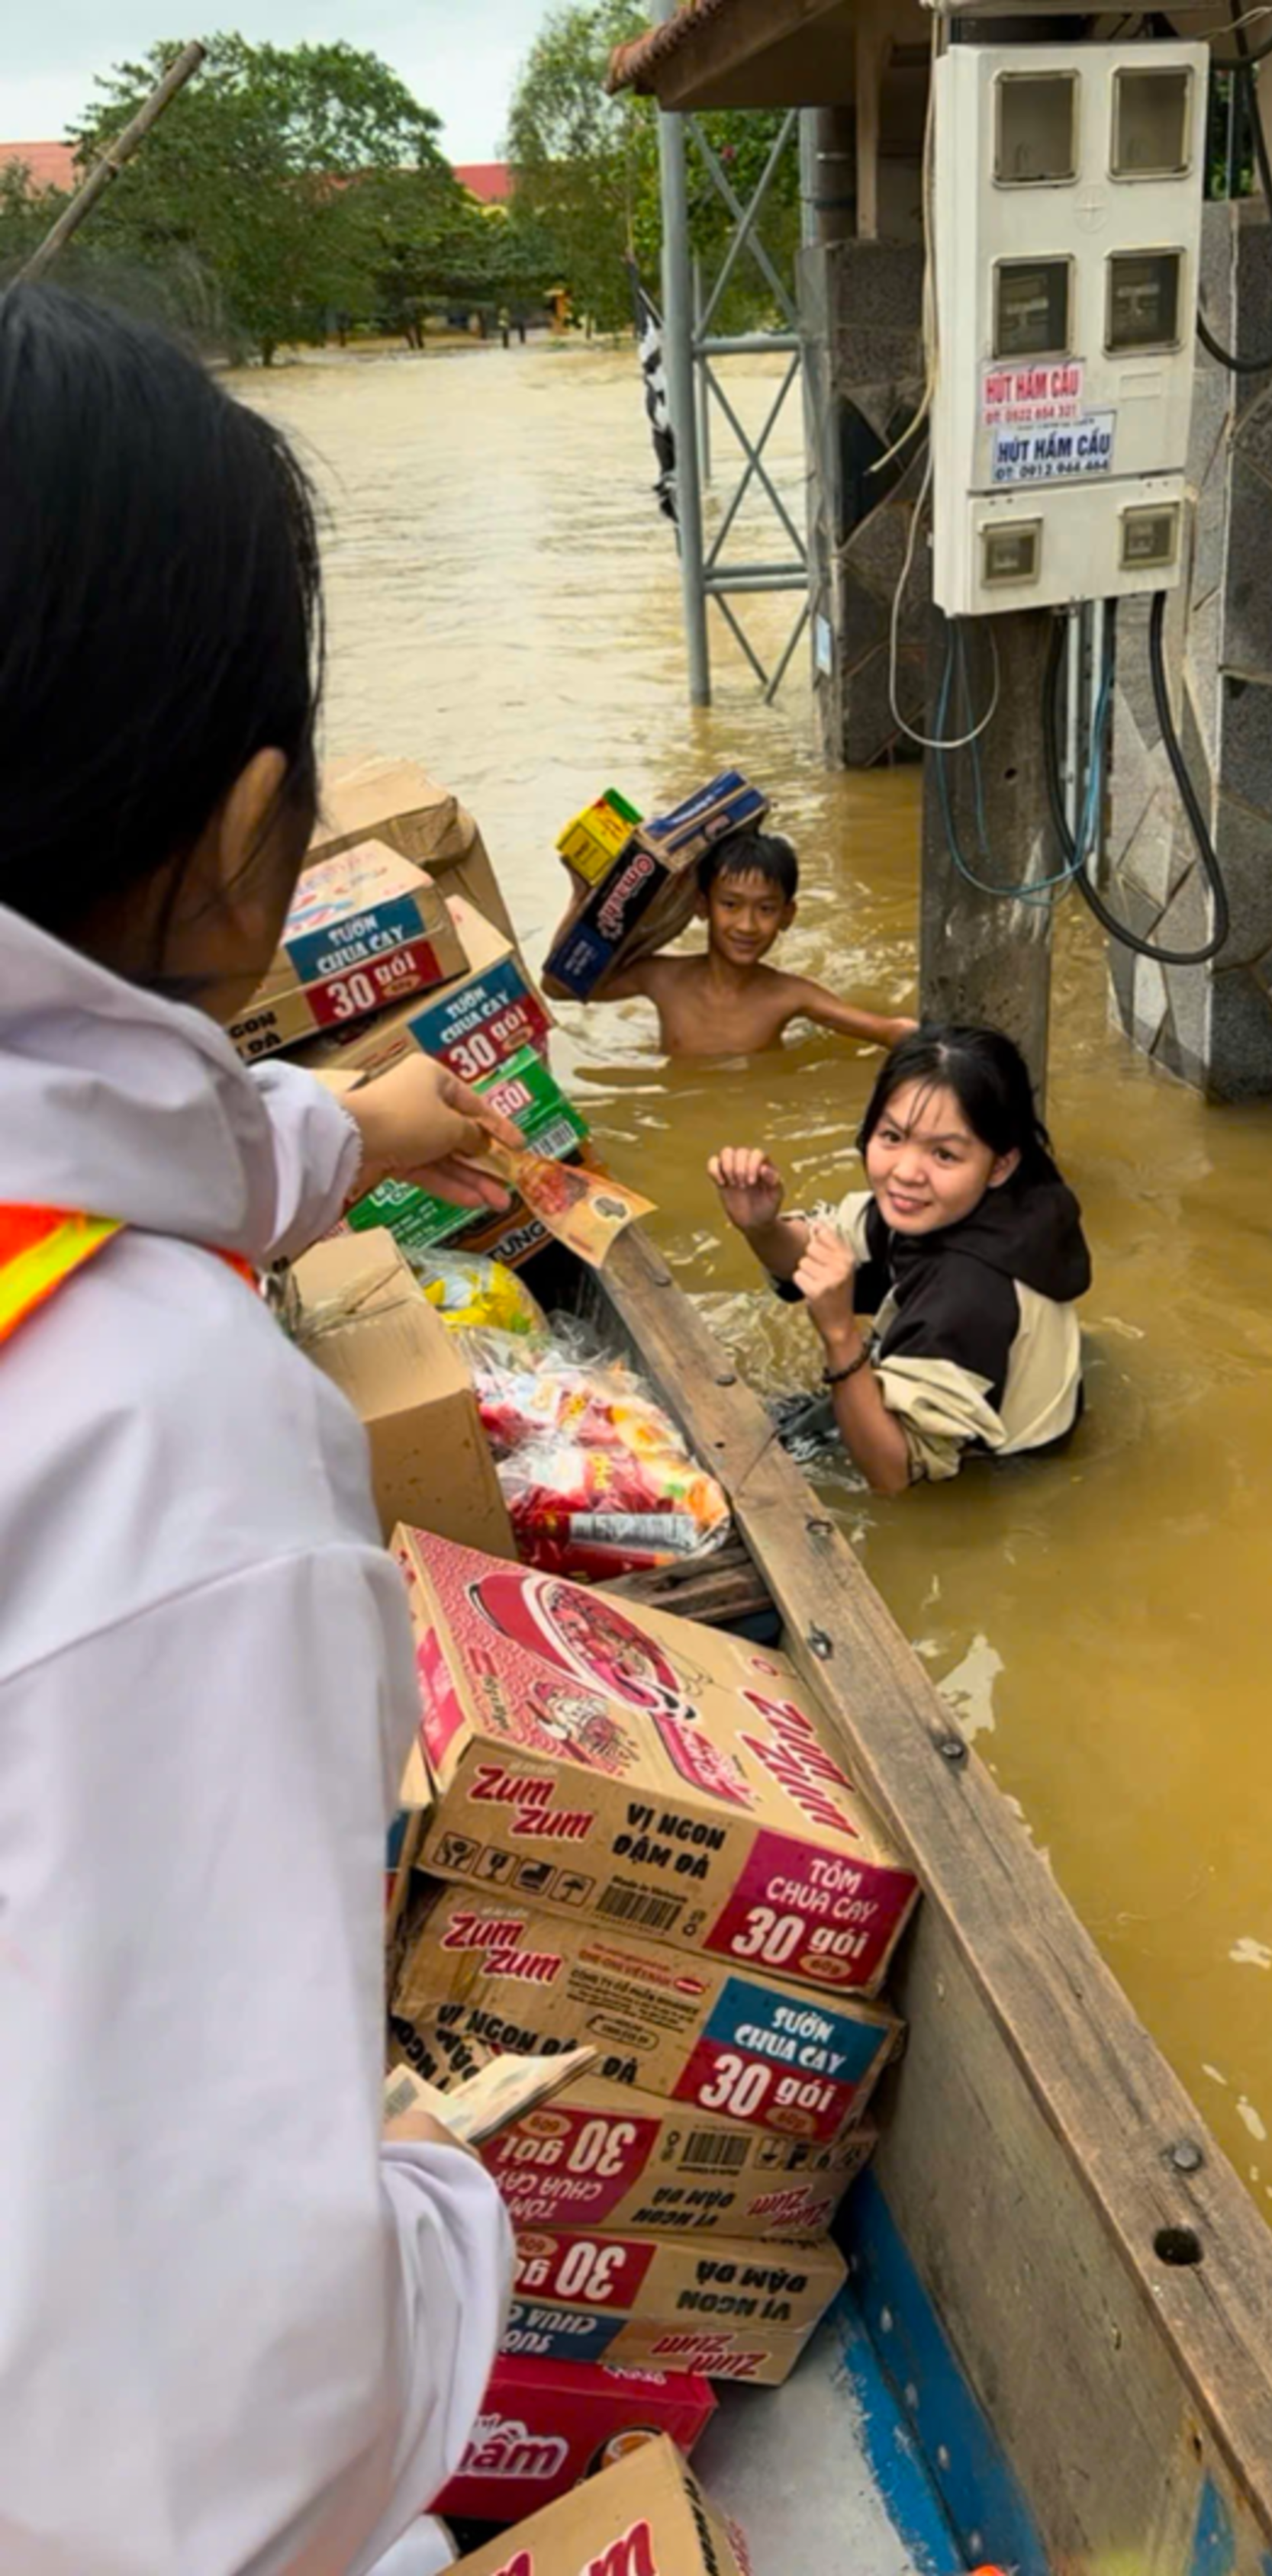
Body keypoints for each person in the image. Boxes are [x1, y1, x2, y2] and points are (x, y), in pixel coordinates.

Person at [0, 283, 520, 2575]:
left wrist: (350, 1133)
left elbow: (107, 1135)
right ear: (246, 841)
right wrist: (439, 2182)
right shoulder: (161, 1441)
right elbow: (229, 2462)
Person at [708, 1025, 1091, 1494]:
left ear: (1000, 1165)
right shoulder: (973, 1202)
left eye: (945, 1154)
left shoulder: (969, 1293)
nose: (907, 1172)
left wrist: (839, 1333)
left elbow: (893, 1475)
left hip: (990, 1483)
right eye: (892, 1137)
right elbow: (818, 1250)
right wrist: (763, 1225)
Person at [552, 828, 916, 1058]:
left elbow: (886, 1031)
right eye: (730, 904)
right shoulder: (662, 978)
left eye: (766, 909)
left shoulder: (790, 995)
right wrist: (580, 901)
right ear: (701, 906)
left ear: (787, 916)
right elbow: (559, 987)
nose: (748, 925)